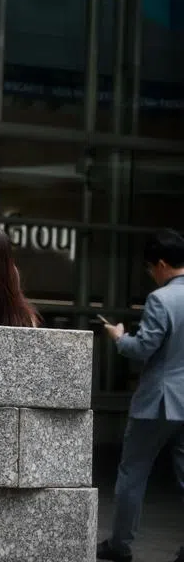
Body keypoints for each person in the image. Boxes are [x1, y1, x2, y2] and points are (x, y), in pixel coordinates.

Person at [96, 229, 184, 562]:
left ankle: (120, 545)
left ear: (161, 264)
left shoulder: (161, 299)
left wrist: (119, 337)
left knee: (134, 472)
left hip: (159, 400)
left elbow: (144, 347)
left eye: (150, 267)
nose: (151, 274)